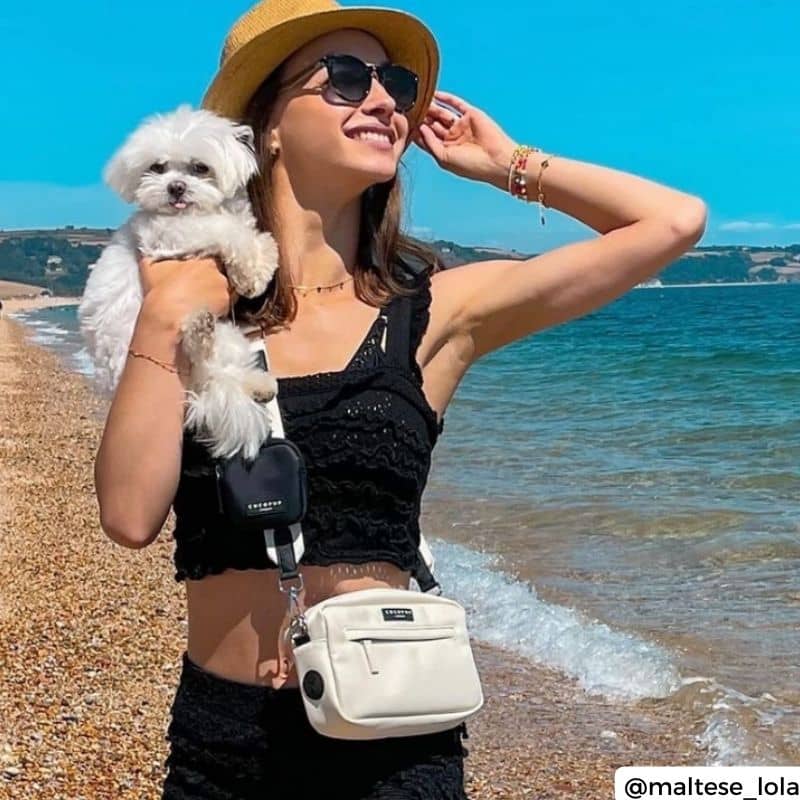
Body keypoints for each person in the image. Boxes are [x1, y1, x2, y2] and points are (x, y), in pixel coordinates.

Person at [93, 0, 707, 797]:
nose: (384, 99)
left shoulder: (435, 312)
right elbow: (129, 516)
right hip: (223, 745)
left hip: (395, 744)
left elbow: (673, 221)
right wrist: (169, 312)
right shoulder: (185, 296)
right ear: (264, 128)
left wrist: (508, 163)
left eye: (398, 84)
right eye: (347, 78)